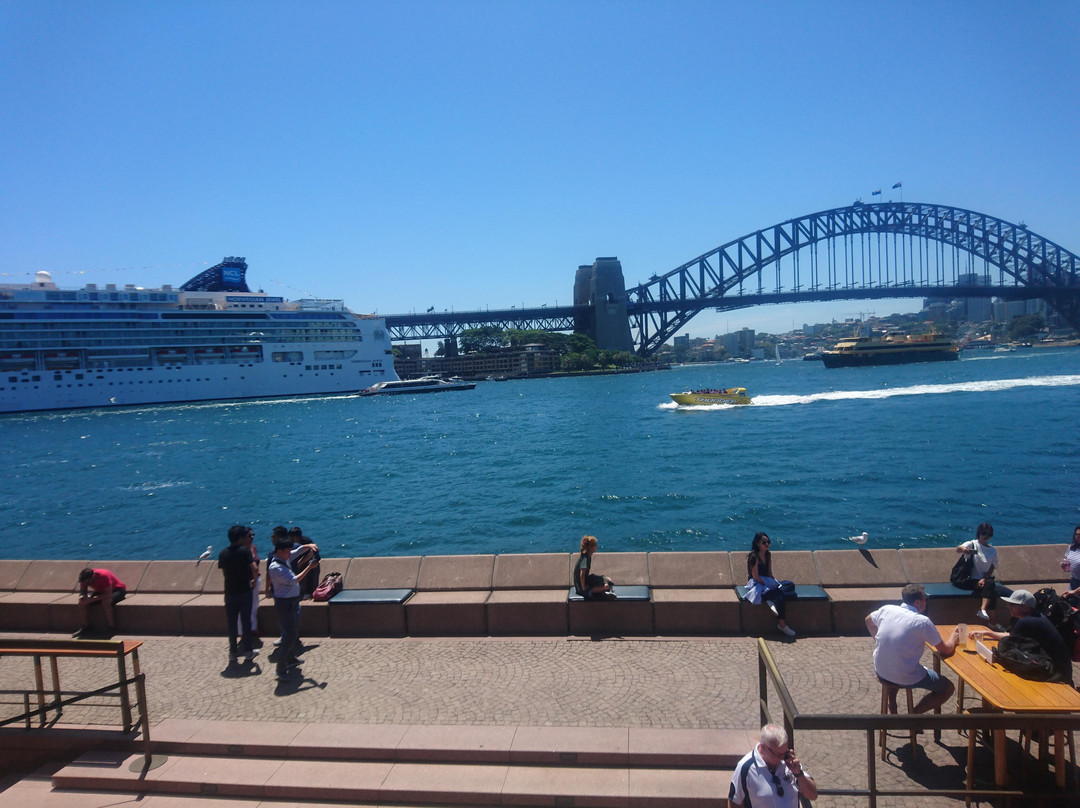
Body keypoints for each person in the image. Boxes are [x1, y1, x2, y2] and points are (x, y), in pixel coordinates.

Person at [865, 583, 960, 714]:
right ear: (917, 602)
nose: (926, 602)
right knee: (947, 688)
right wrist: (954, 638)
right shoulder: (922, 622)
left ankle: (892, 703)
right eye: (925, 599)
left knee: (896, 661)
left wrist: (879, 640)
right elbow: (946, 650)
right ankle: (914, 716)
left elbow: (868, 620)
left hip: (881, 671)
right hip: (905, 675)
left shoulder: (887, 609)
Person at [970, 589, 1074, 685]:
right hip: (1062, 670)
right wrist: (986, 633)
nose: (1008, 606)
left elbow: (1007, 644)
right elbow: (1011, 636)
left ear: (1025, 607)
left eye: (1012, 604)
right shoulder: (1035, 617)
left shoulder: (1026, 622)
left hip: (1056, 673)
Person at [268, 536, 320, 681]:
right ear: (279, 551)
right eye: (287, 551)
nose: (289, 553)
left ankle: (291, 659)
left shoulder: (284, 557)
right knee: (289, 635)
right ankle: (280, 668)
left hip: (293, 601)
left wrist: (309, 545)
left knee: (294, 629)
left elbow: (297, 551)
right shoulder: (276, 567)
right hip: (285, 604)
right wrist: (310, 567)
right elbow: (293, 580)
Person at [728, 723, 818, 808]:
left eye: (784, 753)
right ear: (763, 747)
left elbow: (813, 795)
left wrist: (799, 774)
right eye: (778, 754)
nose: (782, 758)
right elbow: (734, 802)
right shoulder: (745, 768)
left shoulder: (790, 762)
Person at [218, 524, 260, 664]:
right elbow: (254, 568)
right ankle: (248, 651)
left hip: (229, 591)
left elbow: (224, 573)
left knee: (231, 623)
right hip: (244, 591)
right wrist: (254, 581)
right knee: (245, 621)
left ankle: (232, 652)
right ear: (241, 538)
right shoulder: (245, 551)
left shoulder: (223, 553)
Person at [744, 532, 796, 637]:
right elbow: (755, 576)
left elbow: (769, 573)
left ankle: (771, 599)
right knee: (780, 597)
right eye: (764, 542)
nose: (767, 544)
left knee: (790, 585)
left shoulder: (768, 555)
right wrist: (768, 585)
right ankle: (782, 624)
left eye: (768, 542)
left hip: (767, 580)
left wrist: (774, 583)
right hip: (757, 583)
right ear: (758, 543)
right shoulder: (754, 557)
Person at [955, 522, 1000, 621]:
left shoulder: (992, 551)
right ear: (979, 533)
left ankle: (984, 611)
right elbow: (958, 549)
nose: (986, 536)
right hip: (968, 579)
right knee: (991, 587)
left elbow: (992, 567)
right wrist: (963, 549)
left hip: (983, 581)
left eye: (989, 535)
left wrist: (984, 579)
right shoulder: (972, 544)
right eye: (984, 533)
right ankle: (992, 621)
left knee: (990, 587)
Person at [74, 567, 127, 638]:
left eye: (88, 582)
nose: (87, 584)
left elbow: (108, 594)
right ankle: (86, 626)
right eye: (85, 583)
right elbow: (83, 591)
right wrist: (82, 597)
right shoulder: (84, 579)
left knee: (106, 602)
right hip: (101, 590)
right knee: (82, 603)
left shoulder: (103, 575)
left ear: (93, 576)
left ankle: (112, 627)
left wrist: (92, 599)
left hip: (117, 590)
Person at [289, 526, 321, 600]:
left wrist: (300, 563)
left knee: (310, 568)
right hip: (299, 561)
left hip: (311, 561)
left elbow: (311, 553)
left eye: (291, 537)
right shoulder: (291, 544)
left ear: (297, 537)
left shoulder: (305, 541)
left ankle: (310, 592)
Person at [1061, 525, 1080, 603]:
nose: (1078, 537)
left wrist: (1075, 591)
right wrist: (1063, 565)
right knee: (1067, 604)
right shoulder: (1072, 548)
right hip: (1074, 581)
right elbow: (1066, 561)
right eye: (1077, 534)